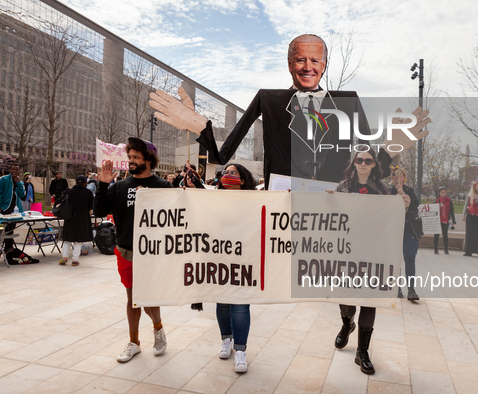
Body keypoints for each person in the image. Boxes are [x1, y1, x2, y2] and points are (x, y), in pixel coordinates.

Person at [150, 34, 429, 186]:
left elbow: (371, 167)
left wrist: (390, 148)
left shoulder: (349, 100)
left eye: (315, 60)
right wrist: (201, 127)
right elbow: (221, 156)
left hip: (332, 200)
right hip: (283, 203)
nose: (308, 67)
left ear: (324, 64)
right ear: (289, 63)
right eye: (300, 59)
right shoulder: (268, 99)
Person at [94, 137, 172, 363]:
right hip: (126, 249)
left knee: (148, 296)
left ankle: (158, 330)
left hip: (153, 251)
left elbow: (171, 217)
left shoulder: (163, 186)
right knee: (132, 297)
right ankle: (134, 342)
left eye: (136, 157)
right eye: (130, 157)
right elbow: (99, 210)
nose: (131, 161)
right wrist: (103, 183)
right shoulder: (119, 186)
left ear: (149, 160)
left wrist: (149, 200)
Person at [329, 149, 392, 375]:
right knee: (346, 298)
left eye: (368, 160)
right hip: (347, 250)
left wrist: (401, 205)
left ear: (374, 164)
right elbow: (332, 216)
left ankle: (362, 351)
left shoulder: (382, 190)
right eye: (359, 159)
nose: (363, 163)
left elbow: (389, 217)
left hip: (374, 251)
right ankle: (347, 324)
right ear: (354, 162)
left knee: (369, 298)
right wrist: (328, 201)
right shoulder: (343, 187)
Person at [214, 163, 256, 373]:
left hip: (244, 258)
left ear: (242, 180)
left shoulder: (254, 201)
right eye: (226, 172)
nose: (228, 175)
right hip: (219, 256)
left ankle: (240, 350)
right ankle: (226, 340)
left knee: (239, 304)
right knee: (222, 302)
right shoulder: (213, 201)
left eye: (233, 173)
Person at [389, 166, 421, 301]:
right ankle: (397, 288)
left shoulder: (410, 190)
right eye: (394, 175)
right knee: (395, 259)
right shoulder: (389, 191)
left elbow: (415, 205)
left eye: (399, 175)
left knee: (409, 257)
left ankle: (411, 289)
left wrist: (404, 195)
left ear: (404, 177)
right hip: (395, 229)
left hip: (409, 229)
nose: (397, 177)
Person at [58, 176, 93, 266]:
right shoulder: (88, 193)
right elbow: (90, 206)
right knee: (78, 240)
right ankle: (75, 260)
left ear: (76, 182)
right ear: (85, 183)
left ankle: (64, 257)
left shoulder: (69, 192)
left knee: (67, 239)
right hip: (82, 218)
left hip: (70, 218)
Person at [0, 161, 25, 251]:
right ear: (9, 170)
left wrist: (18, 183)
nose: (14, 171)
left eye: (16, 169)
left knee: (11, 229)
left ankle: (8, 247)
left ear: (19, 171)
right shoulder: (3, 179)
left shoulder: (19, 181)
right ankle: (9, 247)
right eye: (12, 169)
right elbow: (0, 193)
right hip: (5, 208)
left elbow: (22, 195)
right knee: (6, 229)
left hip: (15, 209)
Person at [462, 181, 478, 257]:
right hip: (471, 215)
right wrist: (463, 215)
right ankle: (468, 251)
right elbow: (466, 205)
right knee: (470, 233)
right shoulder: (469, 195)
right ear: (474, 187)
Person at [433, 187, 456, 255]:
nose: (443, 194)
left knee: (445, 235)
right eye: (442, 192)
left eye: (445, 192)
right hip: (437, 221)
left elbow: (452, 211)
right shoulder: (436, 201)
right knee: (436, 235)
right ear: (439, 193)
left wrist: (453, 221)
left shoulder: (449, 201)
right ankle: (436, 249)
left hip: (445, 220)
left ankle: (446, 250)